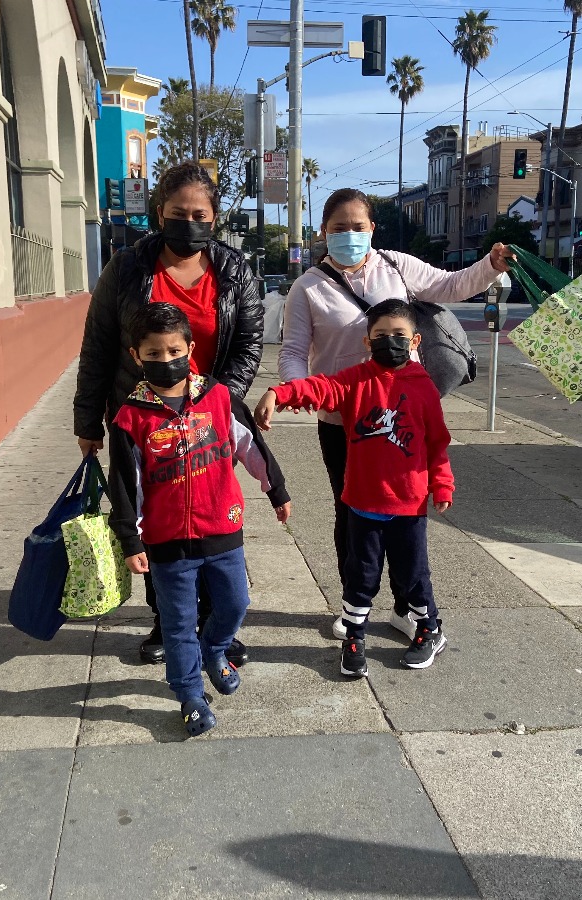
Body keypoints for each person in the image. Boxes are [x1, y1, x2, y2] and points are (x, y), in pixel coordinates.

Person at [278, 187, 510, 640]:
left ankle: (408, 608)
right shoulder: (307, 287)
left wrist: (489, 266)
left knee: (406, 517)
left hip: (403, 417)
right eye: (339, 228)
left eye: (358, 227)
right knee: (352, 516)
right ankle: (354, 607)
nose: (349, 235)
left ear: (372, 230)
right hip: (342, 422)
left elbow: (450, 284)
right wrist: (296, 391)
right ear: (323, 232)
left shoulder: (395, 265)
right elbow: (293, 351)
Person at [74, 161, 264, 666]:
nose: (189, 222)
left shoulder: (235, 271)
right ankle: (169, 621)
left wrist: (216, 404)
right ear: (160, 212)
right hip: (143, 419)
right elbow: (96, 347)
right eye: (178, 212)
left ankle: (215, 625)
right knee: (158, 525)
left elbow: (248, 346)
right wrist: (87, 420)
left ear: (215, 217)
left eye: (200, 213)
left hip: (205, 421)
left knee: (208, 521)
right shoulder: (127, 268)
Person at [109, 303, 291, 736]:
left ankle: (216, 649)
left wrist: (276, 490)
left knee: (235, 604)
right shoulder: (129, 417)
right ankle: (189, 693)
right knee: (176, 624)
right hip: (166, 541)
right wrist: (131, 540)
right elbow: (124, 484)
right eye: (153, 354)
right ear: (137, 356)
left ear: (190, 348)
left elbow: (250, 447)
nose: (166, 360)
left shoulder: (218, 397)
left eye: (174, 350)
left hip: (222, 529)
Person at [256, 298, 453, 676]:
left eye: (399, 335)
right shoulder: (355, 380)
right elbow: (319, 387)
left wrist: (442, 485)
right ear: (367, 341)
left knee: (412, 575)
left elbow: (436, 444)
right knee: (360, 574)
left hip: (409, 507)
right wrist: (279, 393)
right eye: (380, 335)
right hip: (362, 503)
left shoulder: (424, 388)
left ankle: (429, 630)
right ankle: (354, 636)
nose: (389, 341)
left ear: (415, 342)